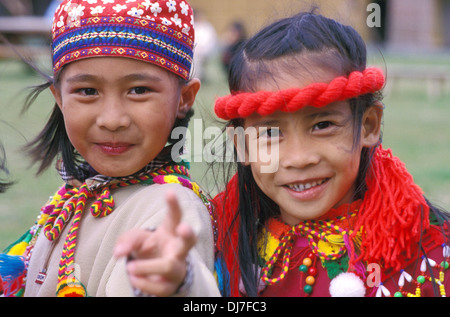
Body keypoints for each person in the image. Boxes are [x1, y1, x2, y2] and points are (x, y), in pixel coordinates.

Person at [212, 11, 450, 297]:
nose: (299, 158)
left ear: (368, 125)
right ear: (242, 145)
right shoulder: (217, 250)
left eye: (322, 125)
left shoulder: (429, 257)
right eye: (271, 133)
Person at [0, 0, 219, 297]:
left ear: (184, 98)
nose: (112, 120)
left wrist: (176, 281)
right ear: (59, 98)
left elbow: (172, 275)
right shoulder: (77, 193)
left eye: (139, 90)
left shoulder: (172, 209)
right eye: (87, 91)